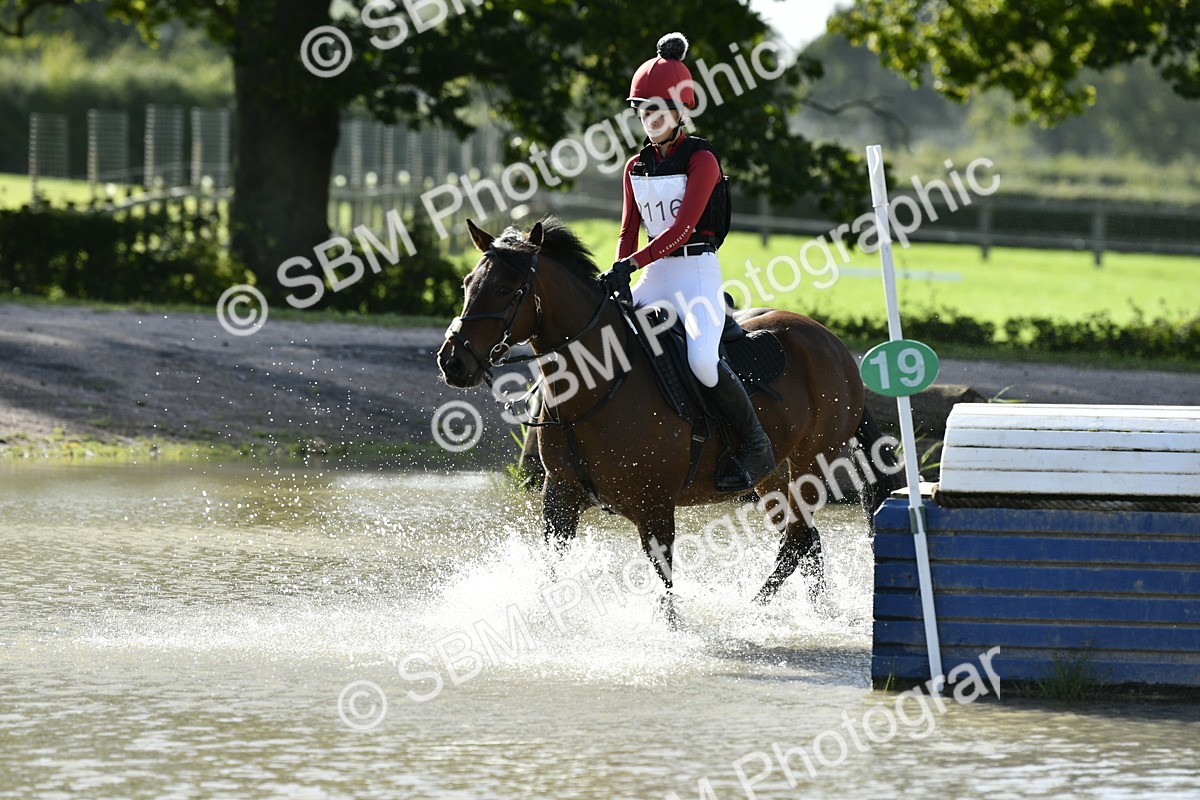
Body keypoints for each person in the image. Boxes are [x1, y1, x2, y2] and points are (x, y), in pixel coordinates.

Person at [598, 31, 775, 493]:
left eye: (657, 109)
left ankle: (755, 444)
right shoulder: (635, 167)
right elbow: (627, 230)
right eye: (642, 110)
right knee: (605, 336)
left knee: (701, 360)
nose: (648, 118)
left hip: (695, 272)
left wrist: (631, 264)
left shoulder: (703, 159)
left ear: (679, 112)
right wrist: (621, 270)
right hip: (654, 274)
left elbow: (681, 230)